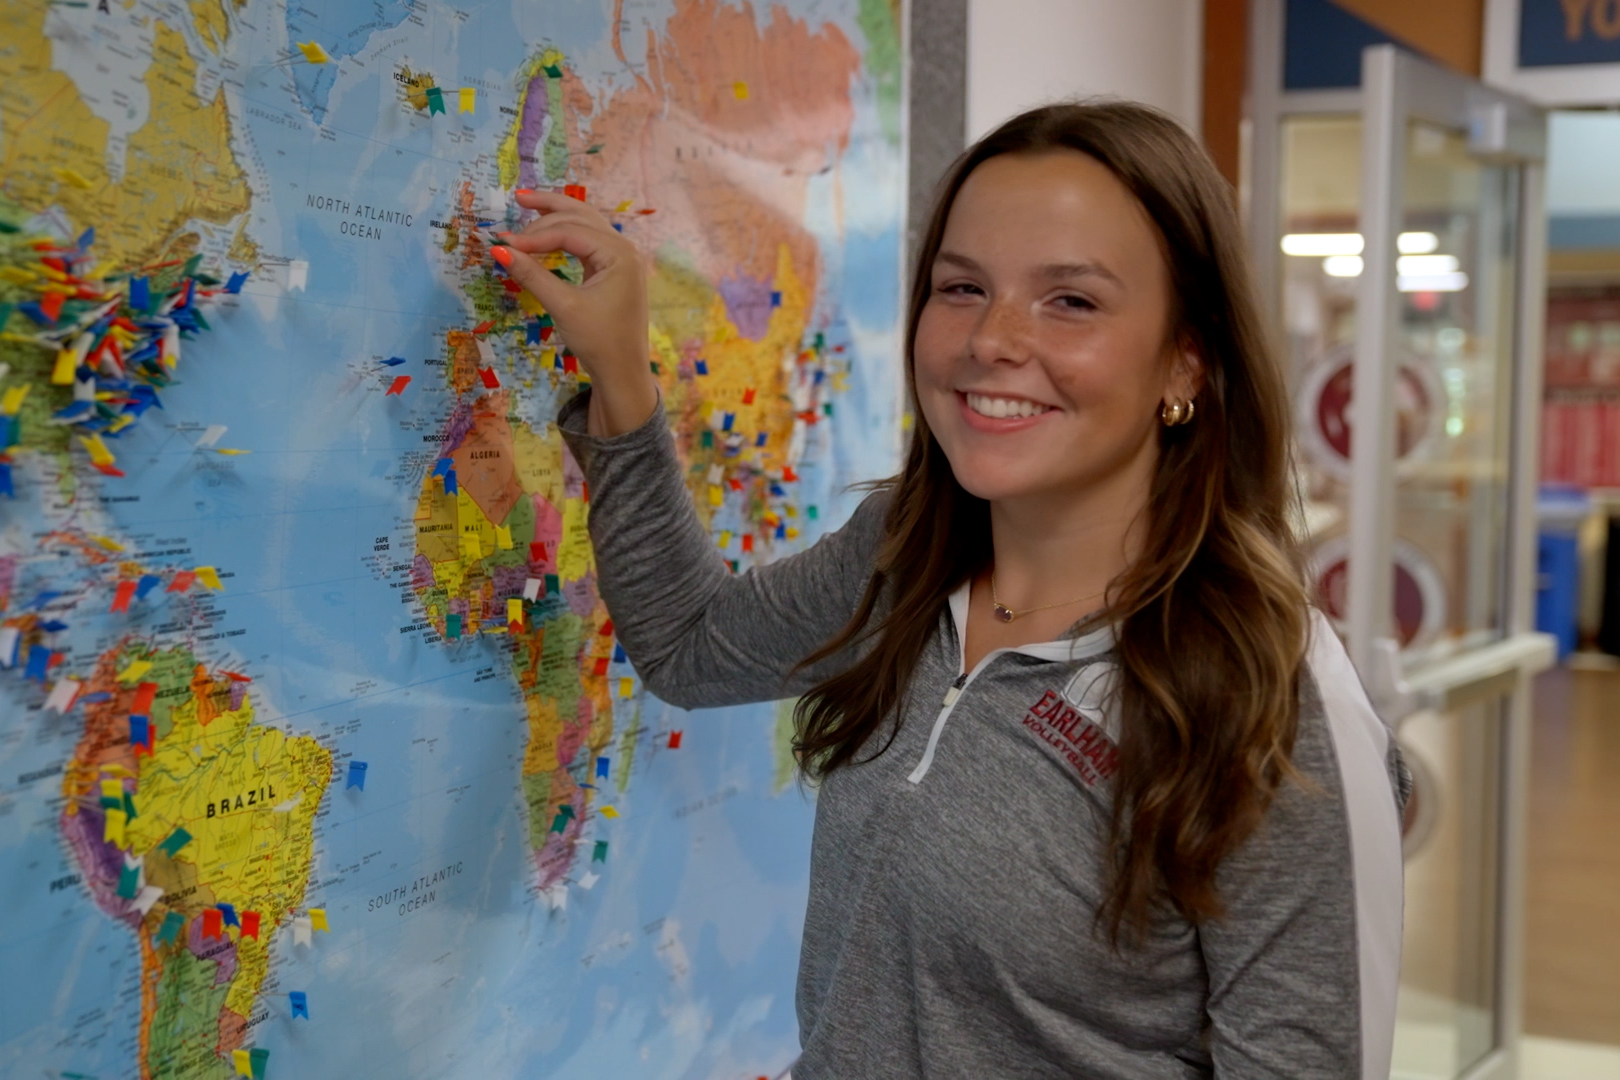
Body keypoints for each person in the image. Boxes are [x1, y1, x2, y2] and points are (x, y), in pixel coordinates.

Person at [494, 101, 1406, 1079]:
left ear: (1185, 358)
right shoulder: (906, 558)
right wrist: (623, 377)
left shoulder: (1272, 705)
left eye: (1073, 302)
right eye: (962, 287)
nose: (993, 340)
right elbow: (690, 644)